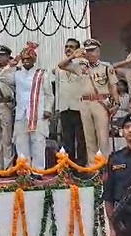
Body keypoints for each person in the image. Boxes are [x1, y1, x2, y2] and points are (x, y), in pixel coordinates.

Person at [58, 38, 119, 165]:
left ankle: (104, 165)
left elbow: (113, 86)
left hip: (100, 103)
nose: (90, 54)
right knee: (89, 137)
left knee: (102, 137)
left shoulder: (106, 67)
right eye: (88, 51)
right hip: (85, 104)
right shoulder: (80, 66)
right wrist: (73, 56)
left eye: (93, 51)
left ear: (98, 52)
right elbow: (61, 65)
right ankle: (92, 166)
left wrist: (116, 104)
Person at [12, 42, 54, 170]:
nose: (26, 62)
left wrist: (47, 109)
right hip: (21, 114)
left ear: (34, 60)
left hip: (38, 113)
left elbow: (49, 95)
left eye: (29, 59)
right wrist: (14, 62)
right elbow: (2, 77)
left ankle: (38, 171)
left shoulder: (42, 74)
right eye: (24, 59)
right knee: (21, 142)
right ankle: (24, 170)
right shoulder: (16, 74)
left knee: (38, 143)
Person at [54, 38, 86, 166]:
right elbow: (57, 88)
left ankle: (82, 167)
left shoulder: (83, 65)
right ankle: (70, 167)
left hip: (79, 107)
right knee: (67, 140)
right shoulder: (59, 68)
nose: (68, 49)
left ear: (77, 49)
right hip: (64, 107)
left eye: (71, 47)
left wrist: (75, 56)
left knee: (81, 140)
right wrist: (57, 108)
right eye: (66, 47)